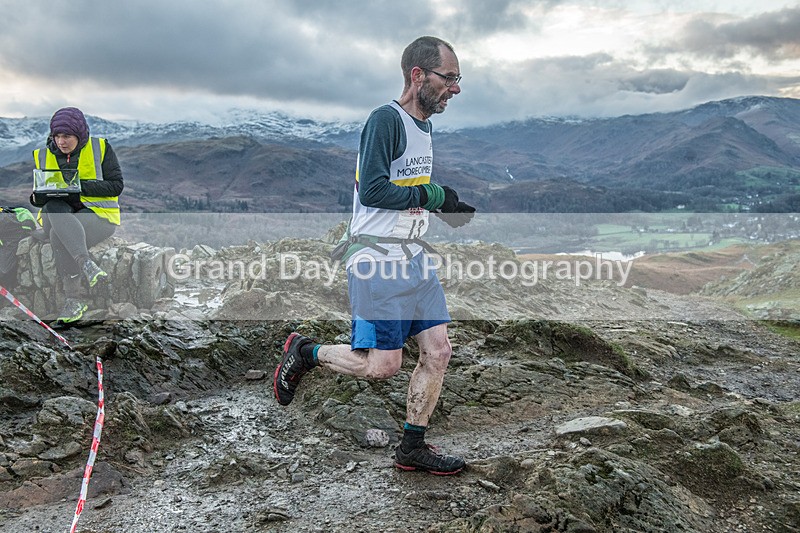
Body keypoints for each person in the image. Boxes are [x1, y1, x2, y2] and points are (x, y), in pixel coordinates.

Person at [274, 36, 475, 475]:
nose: (456, 88)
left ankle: (412, 447)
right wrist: (437, 193)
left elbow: (406, 190)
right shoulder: (385, 120)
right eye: (450, 78)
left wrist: (441, 207)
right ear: (417, 75)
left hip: (414, 255)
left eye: (458, 79)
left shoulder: (424, 126)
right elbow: (375, 190)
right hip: (377, 259)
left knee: (438, 351)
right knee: (383, 366)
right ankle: (306, 352)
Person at [30, 107, 123, 325]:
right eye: (57, 136)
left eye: (67, 136)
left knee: (56, 238)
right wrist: (37, 197)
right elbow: (38, 196)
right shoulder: (42, 154)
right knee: (53, 205)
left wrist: (78, 186)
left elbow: (117, 185)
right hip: (59, 216)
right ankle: (86, 265)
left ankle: (74, 301)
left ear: (79, 135)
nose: (62, 141)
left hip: (98, 217)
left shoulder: (100, 148)